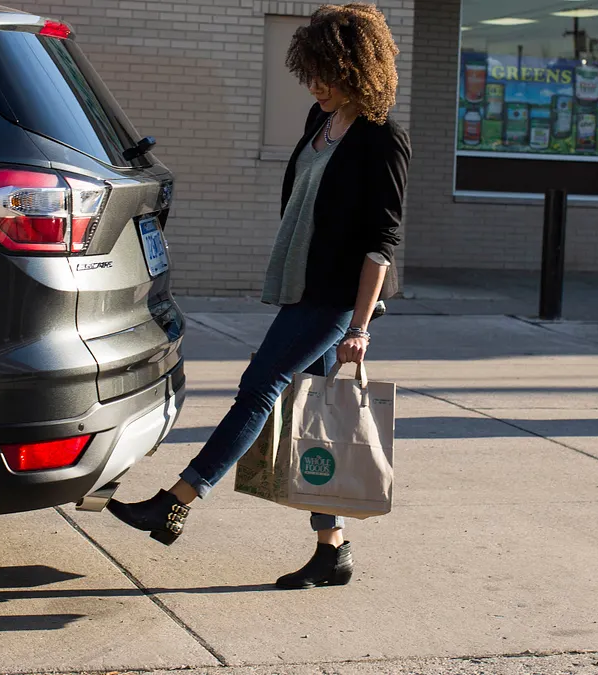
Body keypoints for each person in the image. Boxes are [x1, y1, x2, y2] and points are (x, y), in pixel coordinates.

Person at [106, 2, 410, 590]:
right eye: (313, 70)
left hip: (334, 297)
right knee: (316, 412)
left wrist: (360, 326)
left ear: (359, 69)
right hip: (302, 284)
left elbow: (383, 240)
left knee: (261, 385)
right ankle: (332, 551)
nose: (318, 84)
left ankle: (176, 501)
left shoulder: (382, 139)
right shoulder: (316, 123)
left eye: (330, 72)